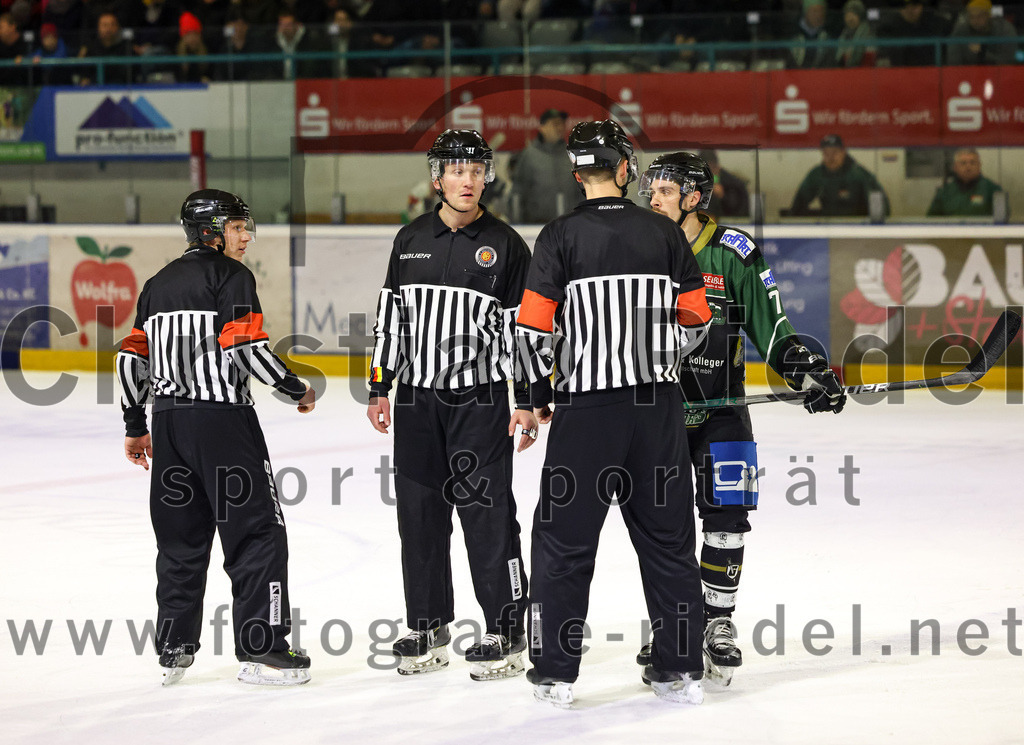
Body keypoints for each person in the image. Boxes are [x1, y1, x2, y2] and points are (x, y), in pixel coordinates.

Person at [515, 120, 714, 708]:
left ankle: (554, 673)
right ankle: (680, 671)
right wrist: (657, 358)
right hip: (657, 410)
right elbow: (697, 321)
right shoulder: (665, 233)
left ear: (578, 174)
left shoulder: (558, 235)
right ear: (625, 168)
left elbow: (532, 331)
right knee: (668, 541)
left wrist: (537, 393)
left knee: (563, 543)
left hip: (586, 413)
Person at [635, 151, 847, 686]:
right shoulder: (635, 245)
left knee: (728, 515)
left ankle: (717, 621)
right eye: (650, 189)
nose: (653, 199)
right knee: (662, 522)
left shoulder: (733, 251)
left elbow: (771, 328)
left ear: (693, 197)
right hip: (655, 413)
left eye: (665, 190)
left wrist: (807, 372)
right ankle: (673, 623)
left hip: (721, 411)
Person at [117, 189, 316, 687]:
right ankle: (264, 651)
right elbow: (244, 346)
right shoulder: (231, 276)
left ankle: (174, 648)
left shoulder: (156, 284)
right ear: (211, 231)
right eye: (237, 227)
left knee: (180, 540)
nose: (246, 237)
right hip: (224, 424)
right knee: (258, 534)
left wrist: (136, 425)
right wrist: (294, 388)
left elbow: (130, 358)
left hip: (170, 426)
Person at [366, 129, 542, 682]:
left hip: (480, 402)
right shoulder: (410, 239)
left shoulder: (507, 245)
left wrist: (527, 399)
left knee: (487, 516)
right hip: (417, 403)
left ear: (487, 177)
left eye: (477, 171)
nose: (468, 181)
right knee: (418, 516)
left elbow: (524, 331)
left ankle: (507, 629)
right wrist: (379, 386)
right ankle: (428, 625)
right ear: (437, 177)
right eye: (457, 170)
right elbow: (391, 319)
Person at [789, 134, 890, 218]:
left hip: (856, 229)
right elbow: (798, 204)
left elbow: (881, 207)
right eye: (826, 153)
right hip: (828, 229)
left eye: (834, 152)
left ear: (843, 152)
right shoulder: (817, 175)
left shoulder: (859, 175)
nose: (830, 158)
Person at [510, 108, 582, 223]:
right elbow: (518, 191)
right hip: (537, 225)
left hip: (570, 223)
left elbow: (581, 188)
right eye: (555, 124)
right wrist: (518, 223)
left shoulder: (571, 154)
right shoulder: (530, 155)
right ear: (542, 128)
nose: (560, 128)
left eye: (562, 124)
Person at [927, 147, 1006, 217]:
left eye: (972, 163)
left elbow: (1002, 219)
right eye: (963, 163)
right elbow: (931, 220)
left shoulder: (993, 190)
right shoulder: (944, 192)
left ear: (979, 165)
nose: (968, 167)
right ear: (955, 167)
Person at [876, 0, 952, 67]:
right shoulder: (888, 28)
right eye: (905, 6)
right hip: (900, 74)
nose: (910, 10)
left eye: (914, 6)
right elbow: (884, 58)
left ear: (922, 6)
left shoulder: (938, 25)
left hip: (931, 73)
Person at [946, 0, 1017, 66]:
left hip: (998, 73)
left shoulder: (1005, 30)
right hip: (968, 73)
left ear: (989, 15)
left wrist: (983, 53)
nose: (975, 20)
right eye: (971, 17)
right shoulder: (961, 31)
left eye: (980, 16)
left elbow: (1007, 61)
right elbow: (953, 63)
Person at [77, 11, 134, 85]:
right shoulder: (90, 48)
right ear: (98, 28)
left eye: (112, 24)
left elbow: (131, 75)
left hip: (121, 87)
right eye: (105, 25)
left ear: (118, 27)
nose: (108, 29)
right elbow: (85, 74)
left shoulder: (127, 48)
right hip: (95, 88)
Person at [698, 149, 749, 220]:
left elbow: (740, 210)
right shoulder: (695, 180)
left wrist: (723, 196)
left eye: (711, 168)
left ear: (716, 167)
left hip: (729, 221)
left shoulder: (732, 183)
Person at [789, 0, 831, 69]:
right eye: (815, 11)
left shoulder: (827, 35)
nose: (819, 15)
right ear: (805, 13)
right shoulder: (792, 32)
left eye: (821, 12)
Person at [835, 0, 873, 67]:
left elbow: (870, 59)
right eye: (847, 15)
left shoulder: (869, 34)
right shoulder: (844, 35)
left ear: (860, 16)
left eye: (854, 15)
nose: (850, 19)